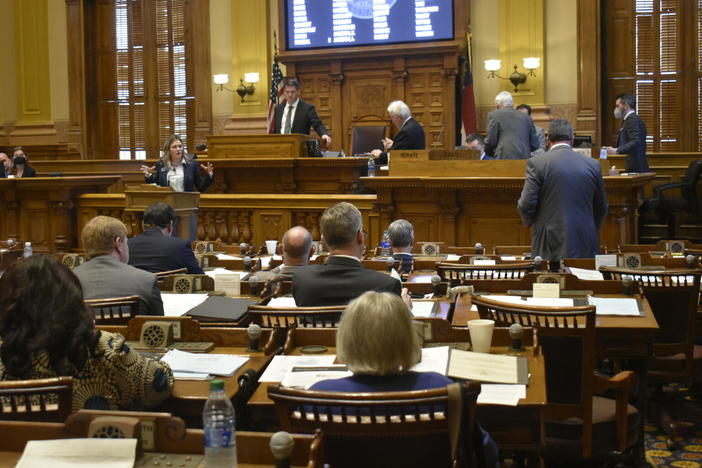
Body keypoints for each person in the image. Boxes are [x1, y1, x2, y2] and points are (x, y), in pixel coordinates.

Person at [310, 291, 499, 468]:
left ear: (345, 339)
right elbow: (483, 452)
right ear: (409, 339)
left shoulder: (319, 395)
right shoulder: (442, 388)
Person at [0, 254, 173, 411]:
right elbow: (157, 385)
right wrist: (162, 364)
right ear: (73, 297)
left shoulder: (5, 357)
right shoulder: (105, 350)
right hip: (92, 444)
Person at [517, 119, 608, 263]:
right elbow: (602, 206)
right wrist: (589, 228)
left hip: (549, 240)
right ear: (572, 140)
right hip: (584, 238)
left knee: (549, 282)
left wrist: (535, 224)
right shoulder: (593, 164)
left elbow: (526, 204)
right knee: (584, 282)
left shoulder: (537, 163)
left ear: (548, 140)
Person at [292, 202, 403, 307]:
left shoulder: (301, 279)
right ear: (360, 237)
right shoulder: (387, 286)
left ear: (324, 241)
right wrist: (404, 309)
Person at [74, 215, 164, 316]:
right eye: (126, 241)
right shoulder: (147, 280)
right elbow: (158, 328)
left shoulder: (66, 281)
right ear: (119, 244)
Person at [127, 202, 203, 275]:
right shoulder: (180, 246)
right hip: (166, 288)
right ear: (170, 225)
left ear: (143, 224)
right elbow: (199, 277)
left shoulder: (127, 245)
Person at [140, 135, 214, 192]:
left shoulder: (192, 164)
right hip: (167, 205)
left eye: (180, 146)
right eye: (174, 147)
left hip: (187, 205)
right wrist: (148, 175)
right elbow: (157, 183)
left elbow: (201, 187)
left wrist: (209, 174)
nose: (178, 149)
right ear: (168, 150)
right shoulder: (161, 164)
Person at [272, 78, 332, 147]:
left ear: (298, 92)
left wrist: (324, 135)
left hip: (299, 147)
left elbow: (317, 124)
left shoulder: (307, 108)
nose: (290, 95)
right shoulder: (278, 109)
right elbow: (276, 129)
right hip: (281, 147)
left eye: (292, 92)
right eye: (287, 92)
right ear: (284, 93)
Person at [604, 92, 650, 173]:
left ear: (626, 105)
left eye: (618, 106)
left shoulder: (631, 119)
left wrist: (617, 150)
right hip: (633, 167)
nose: (616, 109)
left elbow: (636, 141)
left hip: (634, 168)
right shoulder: (629, 119)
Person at [485, 91, 539, 159]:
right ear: (512, 104)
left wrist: (489, 154)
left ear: (497, 105)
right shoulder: (526, 117)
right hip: (524, 159)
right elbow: (535, 144)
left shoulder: (493, 115)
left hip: (503, 158)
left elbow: (490, 141)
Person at [371, 100, 425, 165]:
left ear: (398, 117)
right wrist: (394, 144)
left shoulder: (405, 131)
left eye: (392, 117)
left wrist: (380, 154)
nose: (392, 120)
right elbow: (407, 149)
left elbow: (397, 157)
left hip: (407, 170)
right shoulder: (415, 125)